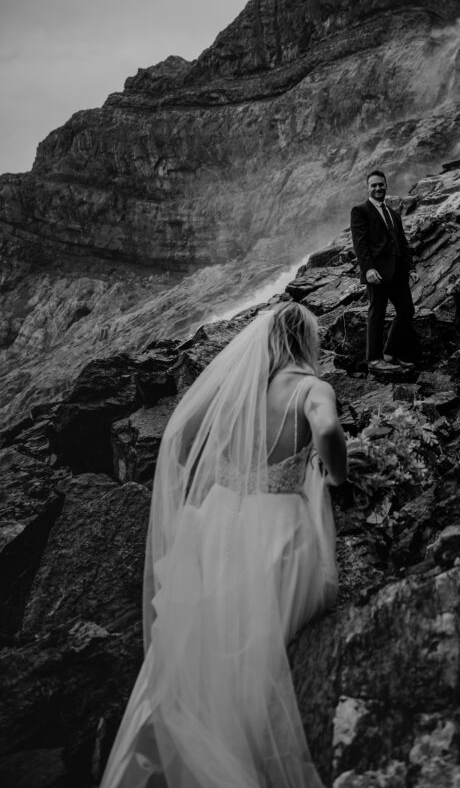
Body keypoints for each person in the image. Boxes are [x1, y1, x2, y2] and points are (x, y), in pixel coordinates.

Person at [100, 302, 347, 788]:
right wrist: (336, 474)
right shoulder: (312, 387)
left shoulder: (241, 391)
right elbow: (328, 429)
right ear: (305, 342)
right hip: (274, 522)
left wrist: (221, 472)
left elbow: (180, 438)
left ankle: (171, 745)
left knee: (200, 635)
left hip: (215, 518)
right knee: (251, 640)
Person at [350, 170, 418, 373]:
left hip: (397, 271)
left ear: (386, 185)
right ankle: (374, 359)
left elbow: (402, 243)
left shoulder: (393, 213)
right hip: (377, 273)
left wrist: (411, 267)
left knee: (407, 311)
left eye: (381, 184)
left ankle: (390, 352)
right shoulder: (360, 210)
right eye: (374, 185)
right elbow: (360, 244)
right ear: (368, 188)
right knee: (376, 314)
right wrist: (368, 268)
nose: (378, 188)